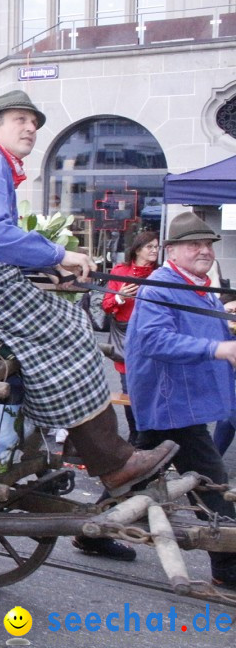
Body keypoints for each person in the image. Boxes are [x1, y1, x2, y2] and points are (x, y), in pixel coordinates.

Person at [0, 89, 178, 501]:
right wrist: (58, 253)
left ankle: (83, 438)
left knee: (59, 327)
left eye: (35, 122)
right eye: (19, 119)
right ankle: (109, 459)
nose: (30, 127)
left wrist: (48, 267)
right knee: (71, 326)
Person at [125, 213, 236, 589]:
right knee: (209, 480)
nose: (205, 250)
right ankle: (228, 567)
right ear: (172, 251)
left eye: (208, 245)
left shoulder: (196, 283)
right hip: (172, 402)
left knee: (132, 474)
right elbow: (155, 341)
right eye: (195, 244)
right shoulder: (161, 286)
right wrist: (219, 348)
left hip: (180, 401)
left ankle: (91, 533)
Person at [100, 231, 160, 440]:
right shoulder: (120, 271)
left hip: (153, 337)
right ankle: (135, 436)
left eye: (156, 247)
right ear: (137, 249)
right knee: (129, 391)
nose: (154, 251)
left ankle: (148, 436)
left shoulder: (160, 275)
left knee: (151, 391)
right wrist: (120, 296)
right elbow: (106, 307)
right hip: (126, 338)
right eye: (149, 247)